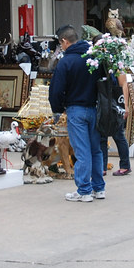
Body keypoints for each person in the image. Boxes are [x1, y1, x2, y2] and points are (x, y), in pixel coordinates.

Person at [49, 25, 104, 201]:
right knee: (95, 150)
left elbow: (56, 90)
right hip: (95, 108)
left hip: (75, 110)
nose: (61, 47)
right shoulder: (94, 57)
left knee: (82, 151)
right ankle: (99, 189)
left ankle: (84, 191)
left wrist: (58, 108)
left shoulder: (65, 62)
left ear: (65, 41)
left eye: (61, 44)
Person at [102, 72, 132, 176]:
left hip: (115, 102)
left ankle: (125, 165)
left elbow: (124, 84)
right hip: (101, 101)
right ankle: (102, 166)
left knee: (118, 134)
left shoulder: (117, 66)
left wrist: (125, 105)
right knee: (101, 136)